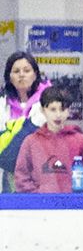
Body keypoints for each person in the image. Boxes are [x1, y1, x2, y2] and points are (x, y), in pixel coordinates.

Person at [13, 86, 83, 193]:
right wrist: (37, 197)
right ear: (43, 110)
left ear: (68, 111)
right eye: (53, 109)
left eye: (62, 109)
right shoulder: (30, 142)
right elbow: (21, 177)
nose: (58, 115)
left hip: (72, 202)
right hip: (40, 202)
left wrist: (77, 197)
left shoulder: (80, 141)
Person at [0, 51, 51, 191]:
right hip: (6, 180)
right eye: (16, 71)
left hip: (40, 177)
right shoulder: (2, 104)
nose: (21, 75)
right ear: (9, 77)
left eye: (27, 70)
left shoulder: (47, 103)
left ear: (35, 75)